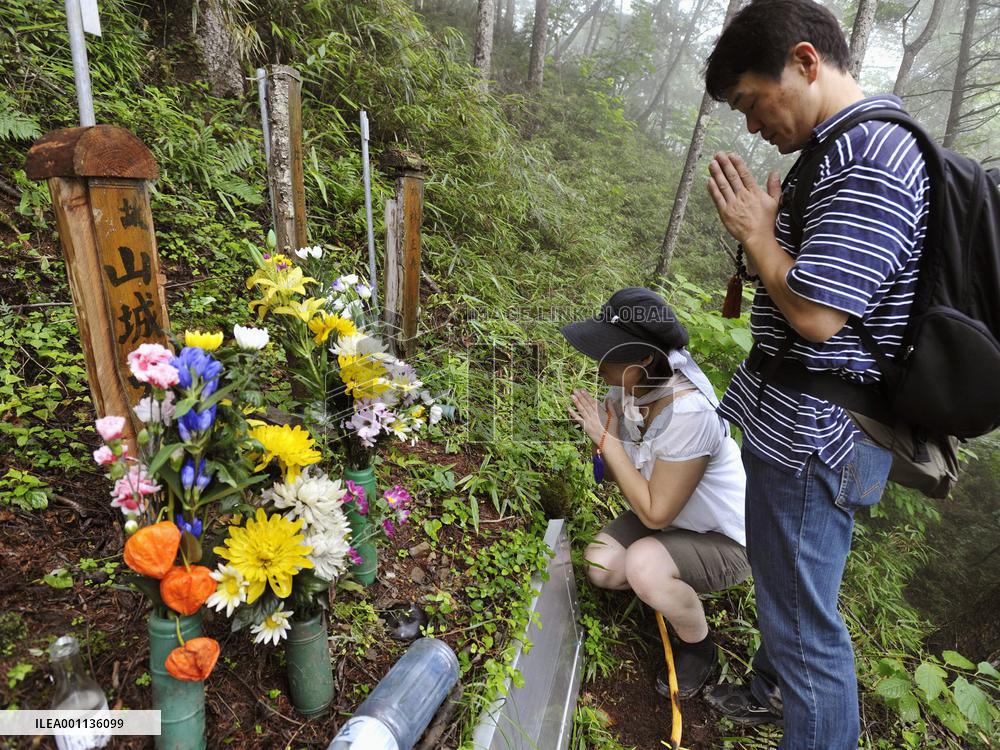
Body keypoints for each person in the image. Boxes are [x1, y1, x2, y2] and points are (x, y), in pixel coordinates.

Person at [702, 0, 927, 746]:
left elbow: (817, 314)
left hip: (817, 433)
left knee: (806, 632)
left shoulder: (872, 153)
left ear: (804, 63)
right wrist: (775, 234)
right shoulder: (836, 152)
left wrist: (759, 235)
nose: (751, 125)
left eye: (751, 102)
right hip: (808, 423)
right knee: (794, 599)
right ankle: (769, 692)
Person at [561, 287, 750, 699]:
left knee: (643, 565)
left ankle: (698, 646)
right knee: (601, 565)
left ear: (646, 358)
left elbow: (655, 514)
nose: (599, 363)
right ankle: (664, 585)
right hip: (670, 517)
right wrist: (605, 442)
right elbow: (615, 475)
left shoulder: (690, 414)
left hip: (722, 537)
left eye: (610, 353)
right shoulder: (627, 390)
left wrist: (605, 438)